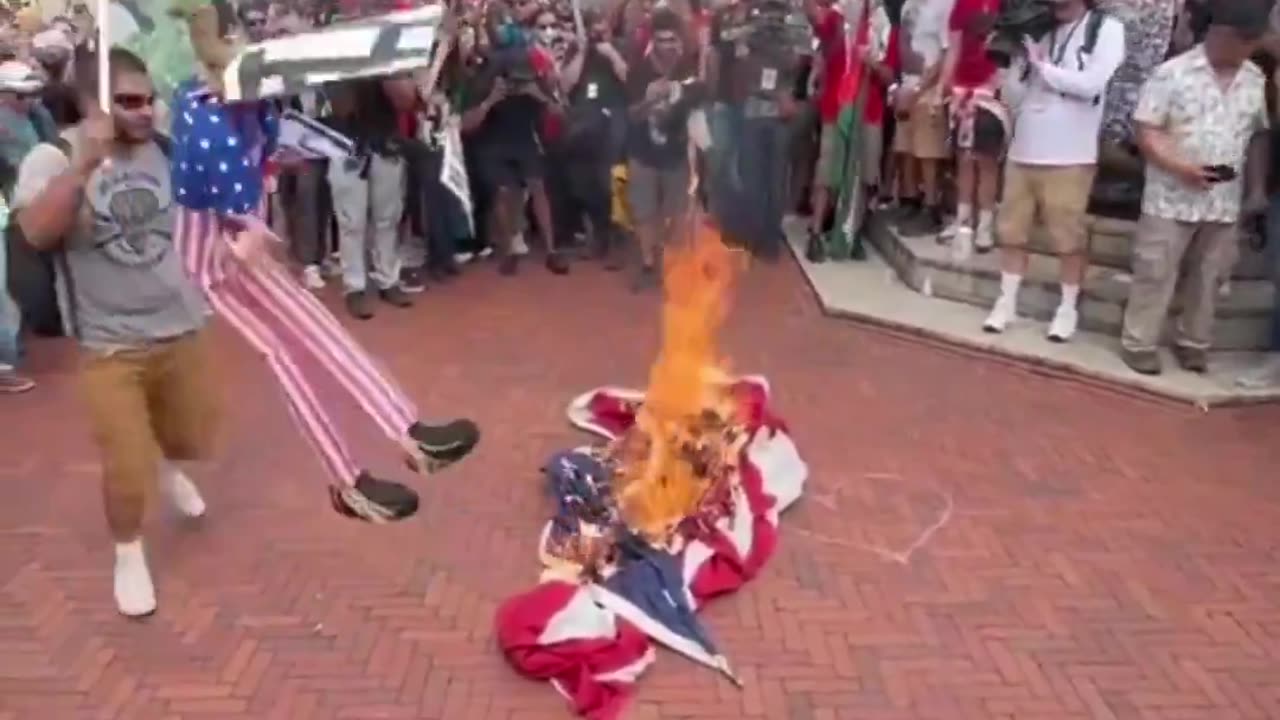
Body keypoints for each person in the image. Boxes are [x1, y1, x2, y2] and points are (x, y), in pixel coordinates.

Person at [169, 0, 480, 520]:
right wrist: (252, 231)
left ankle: (403, 436)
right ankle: (353, 475)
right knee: (288, 353)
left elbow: (278, 139)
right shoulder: (200, 112)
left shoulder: (249, 103)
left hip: (239, 248)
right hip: (216, 263)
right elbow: (221, 180)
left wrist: (332, 148)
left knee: (318, 334)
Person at [12, 48, 211, 616]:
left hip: (181, 322)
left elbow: (204, 218)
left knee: (189, 433)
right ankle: (129, 554)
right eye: (128, 101)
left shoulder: (168, 149)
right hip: (110, 344)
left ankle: (171, 464)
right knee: (125, 463)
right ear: (90, 102)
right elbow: (34, 233)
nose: (146, 111)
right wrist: (83, 169)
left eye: (149, 99)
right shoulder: (53, 157)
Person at [1120, 0, 1270, 375]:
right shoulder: (1172, 73)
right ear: (1220, 36)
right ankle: (1139, 342)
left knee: (1209, 276)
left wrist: (1255, 190)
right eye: (1243, 43)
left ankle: (1193, 342)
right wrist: (1180, 167)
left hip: (1223, 201)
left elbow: (1256, 136)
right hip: (1170, 195)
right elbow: (1146, 129)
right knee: (1156, 271)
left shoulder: (1254, 78)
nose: (1249, 51)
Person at [981, 0, 1125, 341]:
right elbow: (1016, 96)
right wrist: (1012, 61)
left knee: (1068, 240)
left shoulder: (1104, 28)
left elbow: (1092, 84)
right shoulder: (1037, 27)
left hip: (1071, 154)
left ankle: (1067, 308)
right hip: (1024, 147)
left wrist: (1043, 68)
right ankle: (1007, 301)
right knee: (1012, 233)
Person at [625, 8, 698, 290]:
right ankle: (647, 264)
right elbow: (631, 115)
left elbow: (696, 106)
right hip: (643, 152)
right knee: (644, 213)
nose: (668, 46)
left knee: (675, 213)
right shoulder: (639, 70)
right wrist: (649, 99)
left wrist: (680, 98)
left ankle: (673, 267)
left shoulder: (687, 68)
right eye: (662, 40)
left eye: (672, 39)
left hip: (676, 153)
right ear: (653, 40)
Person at [935, 0, 1007, 258]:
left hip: (991, 90)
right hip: (961, 91)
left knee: (987, 162)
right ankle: (963, 219)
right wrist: (942, 86)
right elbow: (953, 49)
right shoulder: (959, 7)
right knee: (964, 159)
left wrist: (1000, 85)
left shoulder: (1004, 5)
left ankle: (986, 224)